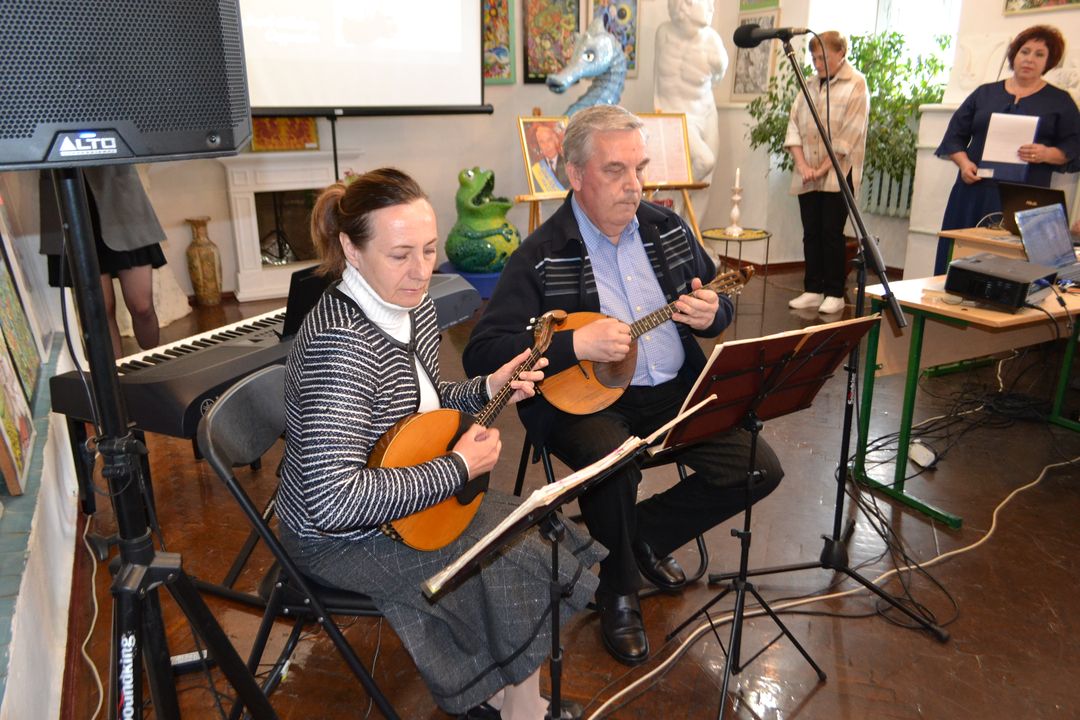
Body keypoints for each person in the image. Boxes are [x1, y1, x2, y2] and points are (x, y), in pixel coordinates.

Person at [463, 106, 784, 667]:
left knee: (758, 467)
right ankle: (617, 589)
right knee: (612, 463)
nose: (634, 185)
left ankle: (637, 541)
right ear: (574, 174)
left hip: (675, 390)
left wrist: (713, 312)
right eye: (616, 170)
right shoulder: (540, 254)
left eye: (640, 168)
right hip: (581, 405)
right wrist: (573, 345)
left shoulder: (668, 229)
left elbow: (718, 298)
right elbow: (483, 351)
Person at [276, 167, 601, 720]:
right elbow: (331, 501)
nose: (421, 270)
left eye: (429, 250)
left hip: (403, 494)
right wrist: (456, 468)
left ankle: (508, 697)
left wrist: (490, 386)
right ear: (352, 250)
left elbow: (423, 401)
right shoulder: (341, 346)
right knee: (511, 559)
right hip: (339, 537)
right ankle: (520, 707)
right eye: (400, 254)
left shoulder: (412, 303)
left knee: (533, 528)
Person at [935, 24, 1080, 274]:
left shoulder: (1060, 101)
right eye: (1025, 51)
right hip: (974, 190)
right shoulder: (984, 93)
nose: (1030, 59)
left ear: (1049, 61)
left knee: (1012, 270)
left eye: (1039, 54)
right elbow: (954, 137)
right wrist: (964, 163)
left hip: (1025, 198)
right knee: (959, 260)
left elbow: (1074, 146)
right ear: (1014, 54)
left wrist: (1047, 153)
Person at [39, 164, 166, 356]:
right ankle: (116, 374)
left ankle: (154, 364)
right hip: (69, 191)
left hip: (118, 193)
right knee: (101, 311)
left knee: (142, 306)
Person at [784, 31, 869, 316]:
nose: (818, 64)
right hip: (807, 171)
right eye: (814, 58)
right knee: (811, 232)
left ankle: (834, 292)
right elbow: (793, 125)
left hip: (837, 173)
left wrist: (820, 169)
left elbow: (849, 135)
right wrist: (803, 166)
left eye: (823, 58)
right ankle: (813, 288)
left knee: (831, 233)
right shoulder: (808, 84)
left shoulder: (856, 84)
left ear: (841, 53)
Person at [653, 0, 728, 185]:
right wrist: (658, 114)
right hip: (675, 114)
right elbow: (657, 79)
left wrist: (717, 65)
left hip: (706, 113)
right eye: (706, 2)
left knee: (706, 183)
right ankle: (677, 201)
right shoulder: (664, 34)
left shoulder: (712, 40)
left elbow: (717, 79)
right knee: (705, 161)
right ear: (684, 5)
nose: (711, 8)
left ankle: (685, 203)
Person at [530, 123, 569, 192]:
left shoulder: (568, 164)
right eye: (542, 142)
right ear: (539, 146)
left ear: (556, 141)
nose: (546, 146)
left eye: (549, 140)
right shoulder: (536, 169)